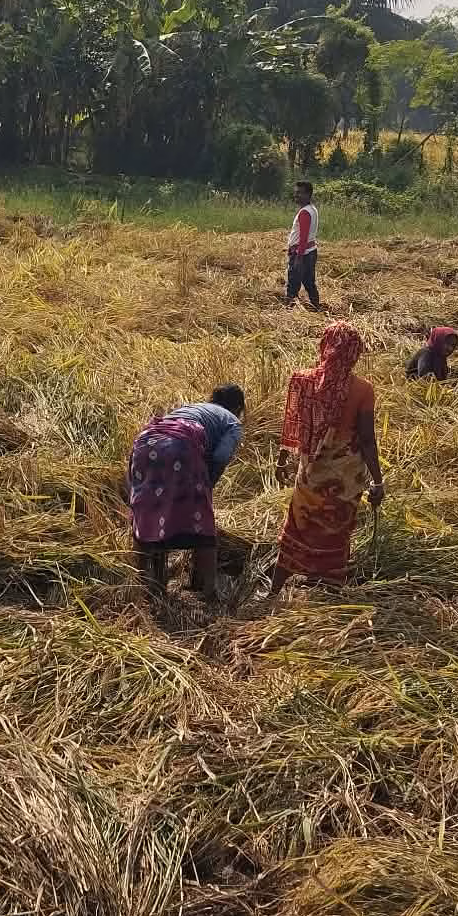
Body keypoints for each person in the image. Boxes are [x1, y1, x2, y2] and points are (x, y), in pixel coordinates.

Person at [266, 322, 383, 601]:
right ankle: (329, 593)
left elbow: (292, 424)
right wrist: (378, 480)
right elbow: (367, 439)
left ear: (325, 347)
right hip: (344, 480)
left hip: (310, 475)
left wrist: (282, 460)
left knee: (298, 526)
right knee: (335, 531)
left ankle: (274, 591)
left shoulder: (303, 380)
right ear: (355, 353)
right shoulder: (363, 390)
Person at [127, 384, 247, 606]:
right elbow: (221, 456)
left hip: (144, 443)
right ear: (239, 407)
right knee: (201, 521)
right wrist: (207, 483)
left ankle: (146, 587)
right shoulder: (232, 421)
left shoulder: (192, 408)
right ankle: (210, 592)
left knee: (149, 516)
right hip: (179, 448)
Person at [284, 180, 321, 311]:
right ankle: (316, 307)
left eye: (300, 193)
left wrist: (298, 258)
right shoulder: (312, 209)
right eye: (296, 193)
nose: (296, 195)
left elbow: (303, 237)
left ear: (308, 195)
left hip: (302, 254)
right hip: (310, 251)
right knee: (309, 282)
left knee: (293, 284)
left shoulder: (305, 212)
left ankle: (288, 311)